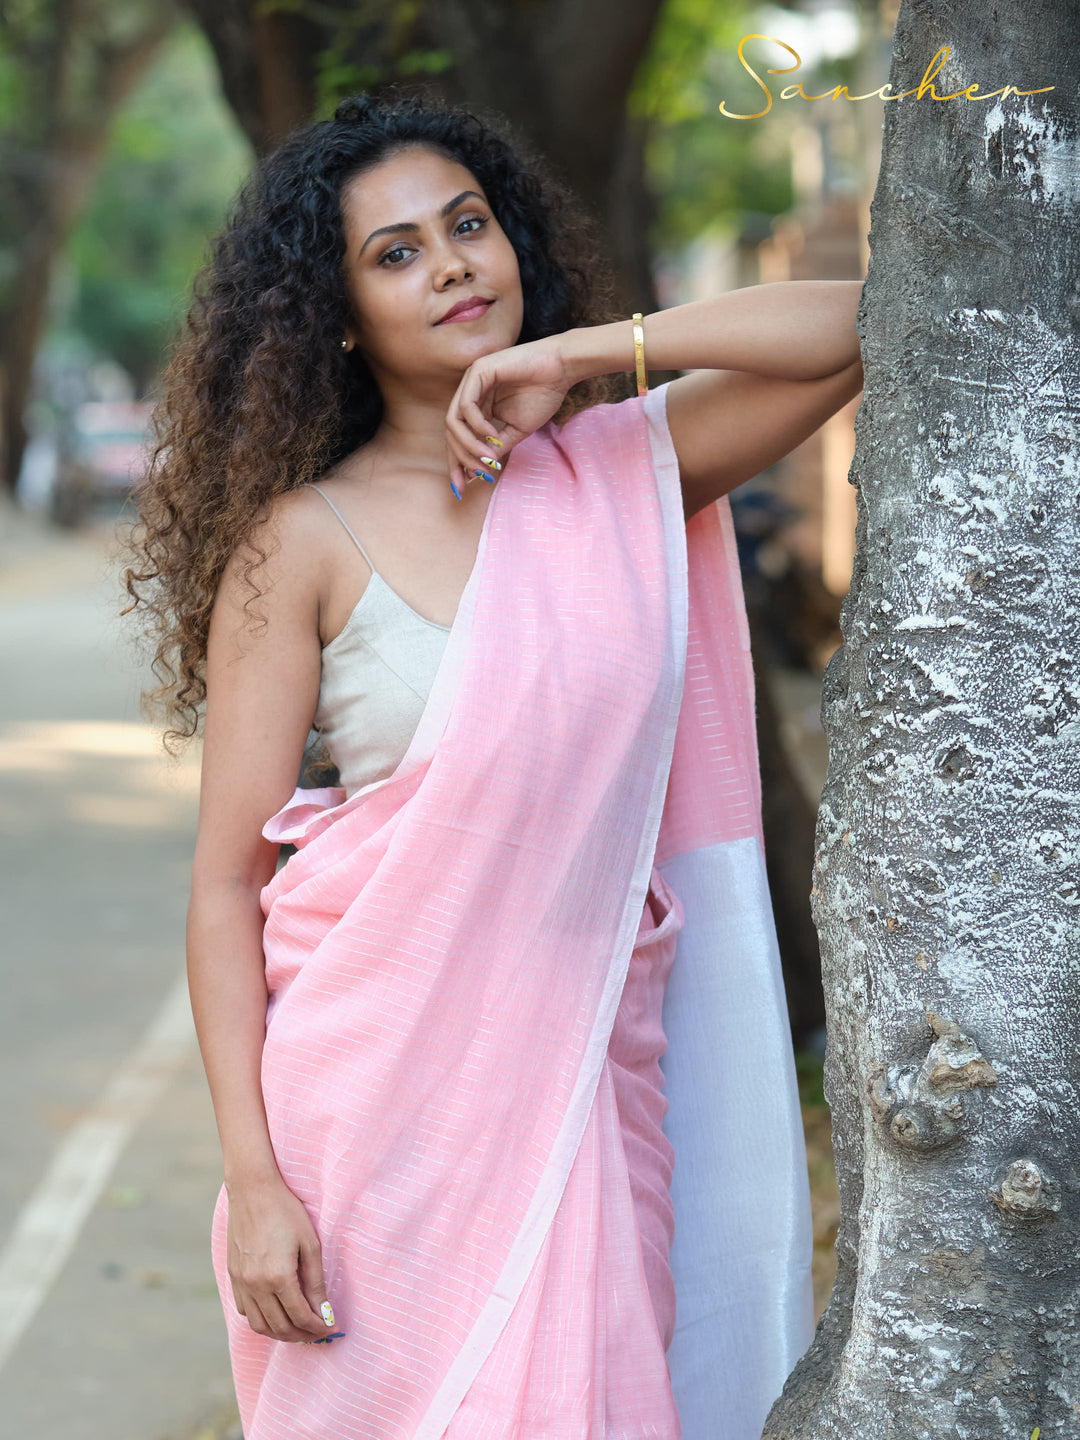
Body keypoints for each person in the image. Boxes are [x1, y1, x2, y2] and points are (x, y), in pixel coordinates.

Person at [123, 87, 863, 1440]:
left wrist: (586, 355)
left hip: (586, 1094)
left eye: (467, 224)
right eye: (396, 251)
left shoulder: (619, 470)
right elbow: (226, 883)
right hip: (367, 1135)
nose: (452, 261)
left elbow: (860, 325)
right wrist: (257, 1177)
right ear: (337, 314)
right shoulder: (301, 544)